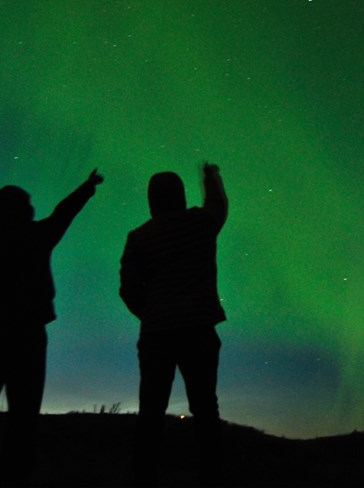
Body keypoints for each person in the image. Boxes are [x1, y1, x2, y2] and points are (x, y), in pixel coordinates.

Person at [0, 168, 104, 486]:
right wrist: (86, 187)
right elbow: (64, 213)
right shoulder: (36, 236)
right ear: (22, 209)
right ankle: (12, 476)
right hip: (28, 335)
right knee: (22, 413)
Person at [119, 162, 228, 486]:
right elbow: (218, 206)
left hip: (157, 335)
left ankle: (145, 476)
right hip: (198, 329)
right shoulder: (199, 223)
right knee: (205, 408)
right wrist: (211, 178)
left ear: (152, 199)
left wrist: (152, 313)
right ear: (180, 195)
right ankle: (211, 475)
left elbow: (127, 288)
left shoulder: (139, 237)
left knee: (151, 410)